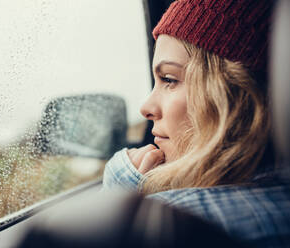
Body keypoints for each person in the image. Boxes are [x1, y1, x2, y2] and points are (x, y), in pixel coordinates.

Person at [102, 0, 290, 247]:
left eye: (169, 79)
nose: (145, 108)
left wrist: (123, 191)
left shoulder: (178, 223)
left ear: (234, 94)